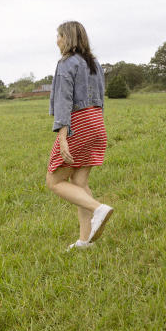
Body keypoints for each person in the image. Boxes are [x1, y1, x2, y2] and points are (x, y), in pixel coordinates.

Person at [45, 21, 114, 250]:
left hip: (78, 122)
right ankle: (85, 241)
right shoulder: (94, 62)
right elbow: (102, 98)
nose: (57, 40)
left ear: (69, 38)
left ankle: (98, 209)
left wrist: (63, 135)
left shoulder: (66, 63)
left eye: (59, 35)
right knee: (79, 182)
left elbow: (64, 99)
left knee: (54, 181)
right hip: (96, 122)